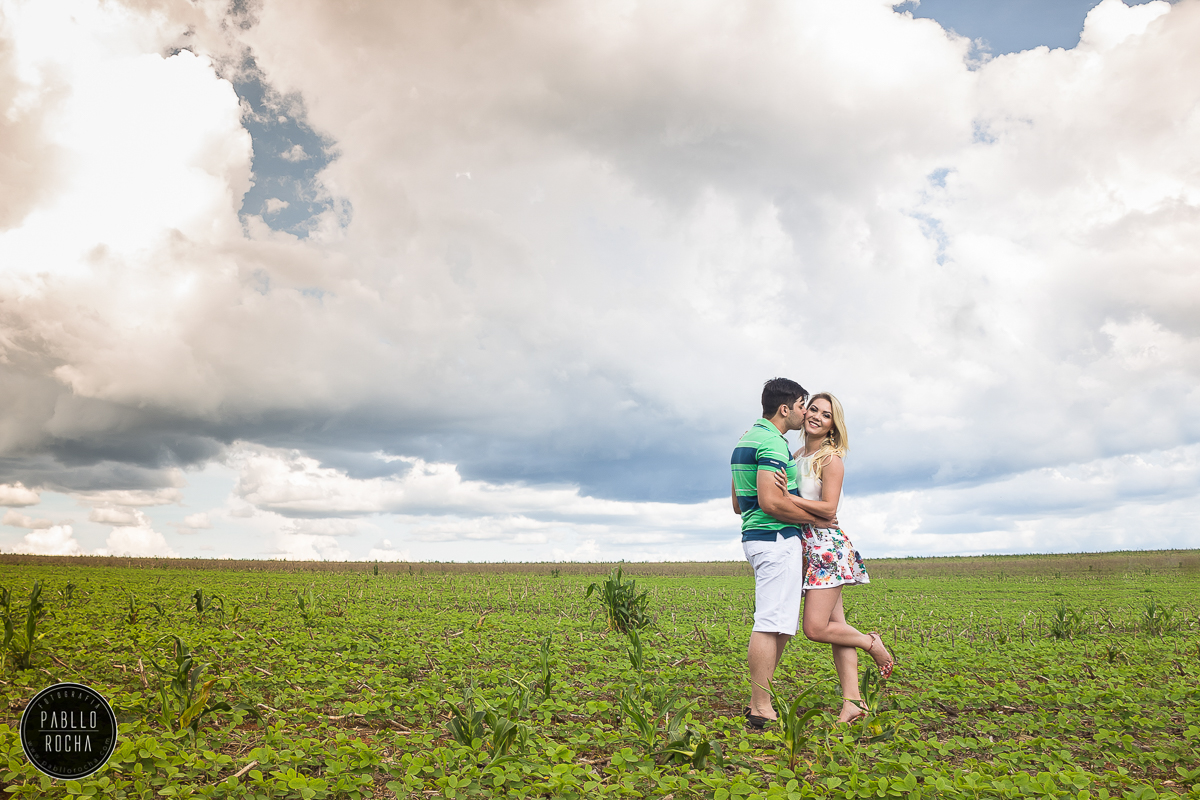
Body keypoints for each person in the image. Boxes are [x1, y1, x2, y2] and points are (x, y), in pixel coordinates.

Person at [773, 392, 894, 723]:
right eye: (812, 409)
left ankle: (871, 642)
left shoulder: (830, 459)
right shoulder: (796, 454)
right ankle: (853, 701)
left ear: (832, 427)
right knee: (835, 626)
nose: (816, 416)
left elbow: (829, 509)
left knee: (814, 628)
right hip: (807, 546)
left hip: (827, 547)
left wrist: (787, 498)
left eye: (825, 415)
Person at [731, 378, 837, 729]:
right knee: (770, 622)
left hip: (756, 535)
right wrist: (818, 516)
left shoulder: (746, 440)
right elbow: (770, 502)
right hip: (775, 538)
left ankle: (760, 697)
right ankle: (760, 706)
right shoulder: (773, 444)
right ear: (785, 409)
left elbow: (737, 503)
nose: (806, 412)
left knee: (782, 625)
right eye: (803, 405)